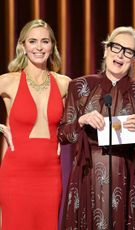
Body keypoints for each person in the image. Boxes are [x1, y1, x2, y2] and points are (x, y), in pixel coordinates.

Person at [58, 26, 135, 229]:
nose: (120, 55)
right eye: (115, 47)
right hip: (87, 177)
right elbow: (63, 135)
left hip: (127, 180)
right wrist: (81, 121)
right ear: (105, 50)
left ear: (134, 59)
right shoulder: (80, 87)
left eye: (128, 51)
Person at [0, 19, 71, 230]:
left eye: (45, 41)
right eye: (32, 41)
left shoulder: (65, 83)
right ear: (22, 46)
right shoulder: (8, 81)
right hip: (15, 175)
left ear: (53, 46)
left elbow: (74, 123)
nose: (39, 47)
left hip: (50, 176)